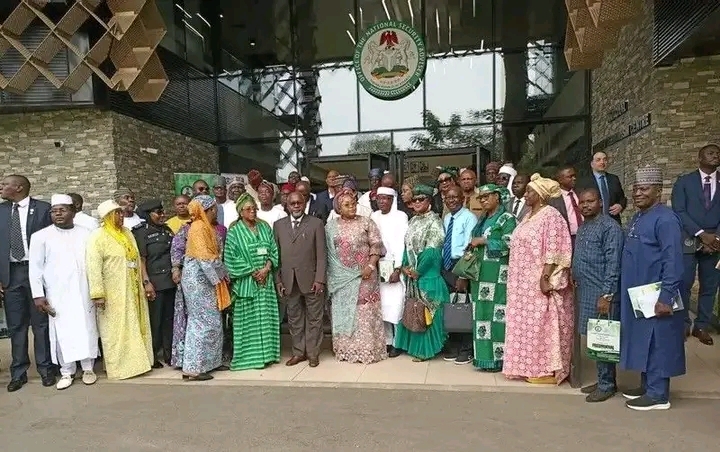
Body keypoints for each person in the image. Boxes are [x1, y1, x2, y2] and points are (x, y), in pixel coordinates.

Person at [620, 166, 685, 411]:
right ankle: (648, 386)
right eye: (636, 188)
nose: (638, 193)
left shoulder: (666, 219)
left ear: (658, 191)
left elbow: (673, 260)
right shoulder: (639, 216)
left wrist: (666, 296)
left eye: (644, 189)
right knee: (644, 340)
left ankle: (658, 395)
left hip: (656, 294)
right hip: (639, 295)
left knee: (658, 342)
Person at [503, 173, 574, 385]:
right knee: (526, 326)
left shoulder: (551, 215)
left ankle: (547, 370)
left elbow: (554, 248)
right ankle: (528, 366)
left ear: (541, 195)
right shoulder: (528, 216)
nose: (525, 195)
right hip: (521, 283)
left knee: (542, 324)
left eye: (529, 191)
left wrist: (545, 277)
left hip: (537, 281)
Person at [28, 194, 98, 390]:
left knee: (86, 328)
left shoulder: (87, 233)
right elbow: (35, 269)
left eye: (62, 210)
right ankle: (67, 371)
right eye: (54, 211)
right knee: (62, 331)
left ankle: (88, 369)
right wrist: (38, 295)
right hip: (57, 293)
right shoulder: (40, 237)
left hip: (84, 290)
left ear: (73, 212)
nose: (57, 214)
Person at [86, 200, 153, 380]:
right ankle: (120, 368)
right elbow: (93, 267)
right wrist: (98, 294)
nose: (121, 216)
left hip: (132, 286)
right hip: (113, 290)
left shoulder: (127, 233)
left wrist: (144, 282)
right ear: (107, 217)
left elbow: (136, 258)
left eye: (121, 213)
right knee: (116, 329)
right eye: (116, 213)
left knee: (135, 324)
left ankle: (138, 364)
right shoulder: (98, 236)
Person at [0, 174, 54, 391]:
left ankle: (46, 369)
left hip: (36, 272)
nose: (1, 187)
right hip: (11, 274)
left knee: (41, 324)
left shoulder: (43, 209)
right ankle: (18, 372)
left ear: (19, 187)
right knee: (16, 326)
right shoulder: (1, 211)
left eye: (5, 184)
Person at [169, 195, 230, 380]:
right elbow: (206, 259)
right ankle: (193, 368)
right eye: (213, 208)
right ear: (207, 210)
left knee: (212, 321)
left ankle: (211, 362)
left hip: (204, 280)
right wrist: (221, 276)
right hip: (199, 281)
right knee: (201, 323)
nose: (215, 212)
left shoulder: (204, 227)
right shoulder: (198, 228)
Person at [572, 188, 624, 402]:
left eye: (590, 201)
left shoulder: (610, 227)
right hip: (586, 290)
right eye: (582, 202)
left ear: (600, 202)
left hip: (601, 292)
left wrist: (607, 294)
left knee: (603, 338)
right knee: (595, 338)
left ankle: (606, 385)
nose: (585, 205)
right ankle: (604, 379)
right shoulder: (584, 226)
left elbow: (613, 262)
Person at [325, 188, 387, 364]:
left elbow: (376, 246)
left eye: (353, 204)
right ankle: (346, 350)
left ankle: (368, 350)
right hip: (341, 279)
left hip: (365, 276)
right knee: (343, 312)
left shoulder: (367, 222)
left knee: (364, 312)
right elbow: (328, 252)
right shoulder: (330, 227)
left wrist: (370, 265)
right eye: (347, 205)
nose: (352, 207)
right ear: (339, 208)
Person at [224, 193, 281, 370]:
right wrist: (253, 271)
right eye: (248, 209)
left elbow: (273, 250)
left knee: (267, 318)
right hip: (247, 283)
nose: (253, 211)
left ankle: (268, 355)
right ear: (240, 212)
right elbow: (230, 258)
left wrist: (266, 269)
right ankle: (250, 358)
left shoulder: (265, 227)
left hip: (266, 282)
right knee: (249, 323)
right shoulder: (234, 232)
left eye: (254, 208)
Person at [671, 143, 720, 345]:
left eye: (717, 153)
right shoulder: (684, 182)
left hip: (716, 242)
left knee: (710, 286)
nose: (715, 155)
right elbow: (679, 210)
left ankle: (701, 326)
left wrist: (716, 237)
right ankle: (682, 324)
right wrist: (701, 234)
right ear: (700, 158)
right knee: (683, 283)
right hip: (689, 239)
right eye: (710, 153)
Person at [394, 184, 449, 361]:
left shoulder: (435, 221)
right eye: (414, 200)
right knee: (414, 311)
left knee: (427, 312)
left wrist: (418, 270)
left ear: (429, 201)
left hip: (428, 275)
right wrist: (404, 266)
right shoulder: (413, 221)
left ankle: (426, 350)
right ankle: (414, 347)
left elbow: (432, 251)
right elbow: (407, 246)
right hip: (413, 275)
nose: (417, 202)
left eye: (421, 199)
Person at [466, 185, 516, 372]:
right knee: (480, 315)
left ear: (497, 197)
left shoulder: (507, 218)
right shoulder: (482, 219)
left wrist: (485, 241)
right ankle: (483, 358)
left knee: (498, 315)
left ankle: (499, 359)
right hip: (479, 275)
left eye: (487, 196)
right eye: (481, 198)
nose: (483, 200)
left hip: (498, 275)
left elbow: (511, 242)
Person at [274, 191, 327, 367]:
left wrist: (320, 279)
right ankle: (298, 352)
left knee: (314, 319)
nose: (296, 206)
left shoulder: (316, 224)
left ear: (304, 204)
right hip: (289, 280)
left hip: (312, 280)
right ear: (287, 206)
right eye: (293, 203)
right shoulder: (279, 225)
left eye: (299, 203)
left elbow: (322, 255)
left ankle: (312, 353)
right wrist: (278, 280)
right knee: (294, 318)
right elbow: (276, 255)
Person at [133, 199, 176, 368]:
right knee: (155, 321)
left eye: (162, 211)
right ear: (148, 215)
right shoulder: (141, 232)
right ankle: (153, 355)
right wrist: (146, 282)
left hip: (170, 282)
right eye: (158, 212)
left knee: (169, 320)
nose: (162, 215)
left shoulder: (167, 230)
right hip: (154, 283)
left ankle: (169, 354)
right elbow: (141, 260)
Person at [441, 185, 478, 365]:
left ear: (463, 199)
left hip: (461, 265)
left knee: (464, 306)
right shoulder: (447, 218)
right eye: (448, 197)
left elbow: (470, 247)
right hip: (447, 266)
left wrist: (463, 275)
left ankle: (467, 349)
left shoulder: (469, 218)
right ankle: (454, 345)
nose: (452, 200)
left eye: (455, 197)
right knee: (451, 306)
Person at [370, 187, 408, 357]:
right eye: (379, 198)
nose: (382, 202)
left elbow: (402, 244)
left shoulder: (401, 216)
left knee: (397, 306)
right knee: (383, 307)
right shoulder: (374, 216)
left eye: (386, 198)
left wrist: (398, 268)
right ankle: (387, 341)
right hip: (379, 267)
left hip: (395, 267)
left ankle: (398, 343)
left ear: (392, 200)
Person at [576, 151, 627, 224]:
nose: (602, 162)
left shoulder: (614, 179)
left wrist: (620, 205)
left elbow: (622, 198)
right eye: (598, 160)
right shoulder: (583, 182)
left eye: (605, 159)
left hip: (613, 221)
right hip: (592, 222)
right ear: (592, 164)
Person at [549, 166, 583, 248]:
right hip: (567, 238)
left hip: (585, 234)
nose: (574, 178)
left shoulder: (581, 192)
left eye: (574, 176)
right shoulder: (554, 199)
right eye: (570, 177)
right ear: (560, 180)